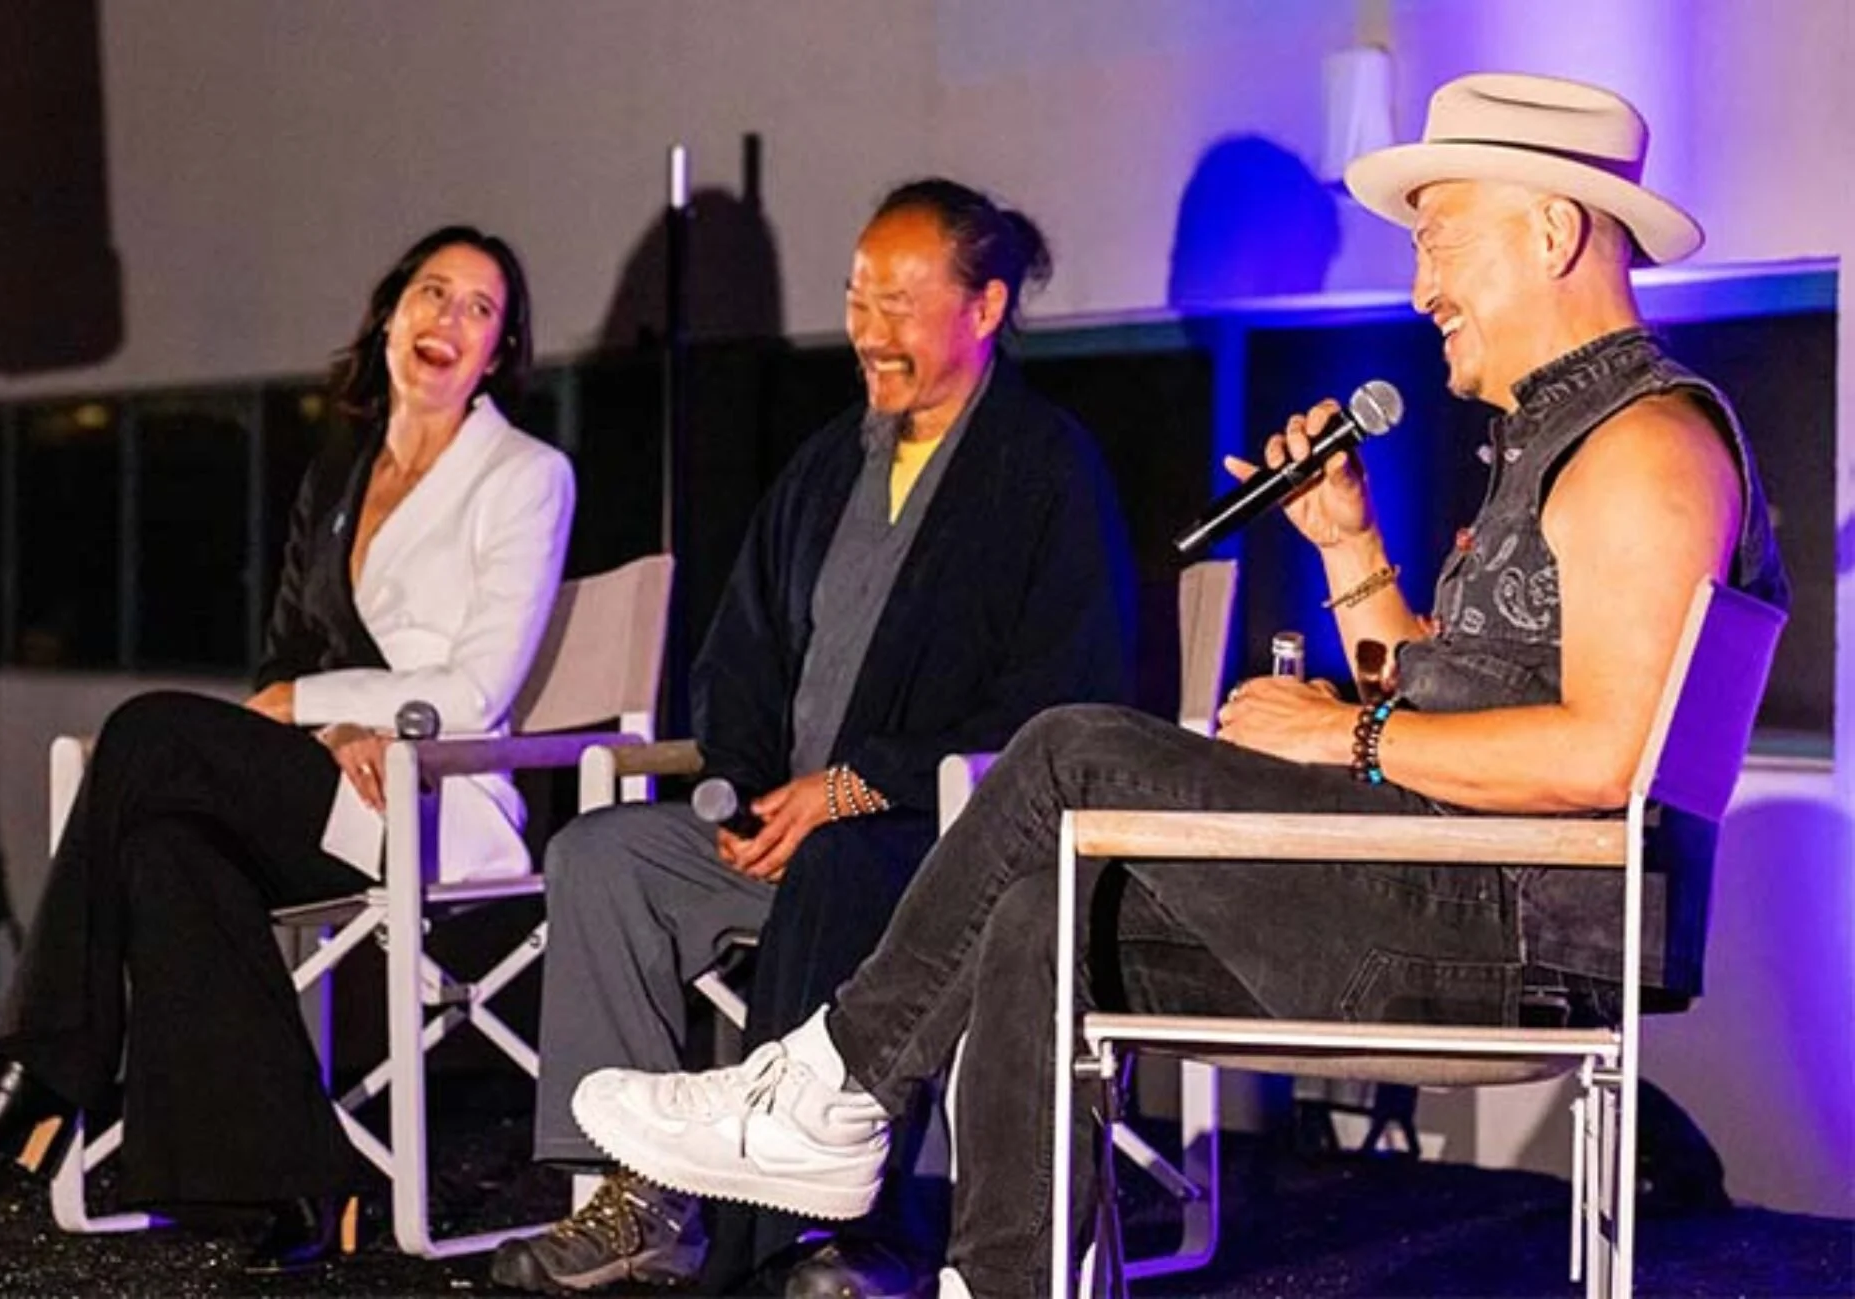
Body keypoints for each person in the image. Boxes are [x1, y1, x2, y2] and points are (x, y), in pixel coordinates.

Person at [563, 73, 1790, 1299]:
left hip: (1508, 930)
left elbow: (1609, 756)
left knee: (1068, 751)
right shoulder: (1561, 439)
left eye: (1438, 241)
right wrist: (1347, 547)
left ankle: (830, 1093)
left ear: (1552, 230)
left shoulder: (1641, 449)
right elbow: (1460, 702)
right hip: (1445, 884)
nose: (1422, 287)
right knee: (1036, 905)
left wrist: (1345, 737)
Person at [0, 225, 576, 1273]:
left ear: (497, 352)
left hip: (433, 791)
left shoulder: (524, 474)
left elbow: (476, 687)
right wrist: (320, 718)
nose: (450, 319)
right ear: (390, 313)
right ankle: (299, 1184)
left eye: (481, 309)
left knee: (146, 731)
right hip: (327, 775)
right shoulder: (337, 478)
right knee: (164, 850)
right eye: (433, 291)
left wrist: (324, 706)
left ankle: (40, 1069)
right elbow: (283, 654)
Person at [490, 179, 1137, 1296]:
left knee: (842, 858)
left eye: (898, 302)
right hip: (793, 823)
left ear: (983, 309)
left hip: (942, 847)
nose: (868, 331)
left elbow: (1062, 700)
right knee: (602, 856)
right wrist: (744, 788)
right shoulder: (830, 463)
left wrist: (856, 787)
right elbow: (738, 654)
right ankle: (642, 1199)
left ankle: (835, 1233)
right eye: (854, 300)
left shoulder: (1044, 467)